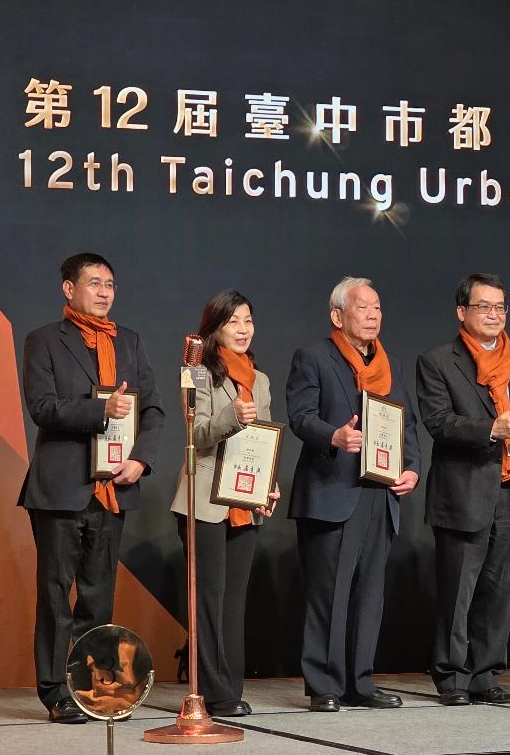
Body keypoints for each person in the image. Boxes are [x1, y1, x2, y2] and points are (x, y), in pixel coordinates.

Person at [18, 253, 164, 723]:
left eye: (110, 284)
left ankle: (91, 687)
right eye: (94, 283)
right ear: (69, 289)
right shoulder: (44, 340)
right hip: (61, 487)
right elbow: (42, 407)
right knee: (55, 595)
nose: (104, 292)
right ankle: (54, 691)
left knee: (98, 597)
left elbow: (153, 409)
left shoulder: (130, 341)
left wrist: (141, 459)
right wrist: (101, 410)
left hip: (112, 488)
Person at [286, 277, 421, 712]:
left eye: (377, 307)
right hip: (332, 490)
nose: (373, 315)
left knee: (369, 595)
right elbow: (300, 416)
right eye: (362, 307)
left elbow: (407, 425)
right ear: (337, 315)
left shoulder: (391, 364)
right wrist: (335, 436)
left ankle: (360, 681)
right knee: (329, 594)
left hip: (380, 493)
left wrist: (412, 467)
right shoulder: (314, 357)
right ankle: (324, 684)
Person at [416, 272, 510, 706]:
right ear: (461, 312)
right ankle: (452, 676)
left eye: (500, 307)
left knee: (499, 590)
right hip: (463, 491)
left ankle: (485, 675)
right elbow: (438, 422)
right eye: (483, 306)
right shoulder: (437, 361)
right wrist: (490, 429)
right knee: (458, 591)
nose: (493, 315)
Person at [170, 290, 282, 717]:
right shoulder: (196, 372)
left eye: (248, 320)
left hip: (243, 499)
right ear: (215, 328)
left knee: (233, 603)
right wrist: (232, 415)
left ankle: (230, 690)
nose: (242, 329)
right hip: (204, 501)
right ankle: (213, 691)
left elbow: (263, 440)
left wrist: (268, 487)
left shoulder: (261, 379)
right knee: (209, 601)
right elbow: (195, 434)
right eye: (233, 321)